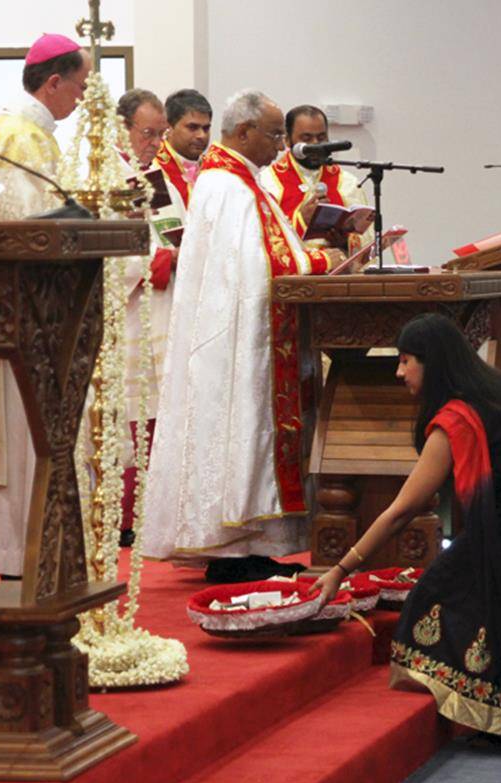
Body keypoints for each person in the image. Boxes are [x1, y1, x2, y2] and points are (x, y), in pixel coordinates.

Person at [312, 314, 501, 743]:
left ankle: (500, 719)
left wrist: (340, 569)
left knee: (439, 591)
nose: (398, 371)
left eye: (406, 361)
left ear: (433, 363)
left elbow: (401, 511)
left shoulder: (456, 418)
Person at [140, 89, 343, 582]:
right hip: (239, 345)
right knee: (243, 430)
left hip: (244, 336)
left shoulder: (237, 181)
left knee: (249, 435)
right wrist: (323, 261)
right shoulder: (228, 186)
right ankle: (232, 552)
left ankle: (249, 546)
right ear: (244, 131)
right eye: (274, 134)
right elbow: (264, 266)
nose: (280, 146)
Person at [0, 34, 91, 576]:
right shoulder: (21, 138)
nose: (81, 100)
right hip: (27, 315)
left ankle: (33, 553)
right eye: (79, 88)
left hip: (22, 314)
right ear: (54, 81)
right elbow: (30, 233)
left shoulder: (17, 131)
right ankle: (28, 556)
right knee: (25, 434)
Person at [111, 87, 179, 543]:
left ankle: (156, 516)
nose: (155, 143)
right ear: (123, 127)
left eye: (160, 134)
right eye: (148, 133)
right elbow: (110, 251)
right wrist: (145, 264)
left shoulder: (156, 176)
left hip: (162, 312)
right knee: (130, 415)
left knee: (159, 412)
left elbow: (176, 231)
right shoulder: (110, 175)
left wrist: (175, 252)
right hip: (129, 319)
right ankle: (124, 520)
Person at [259, 104, 373, 252]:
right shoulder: (267, 182)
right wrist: (301, 220)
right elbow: (262, 241)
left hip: (337, 272)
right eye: (306, 138)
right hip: (294, 273)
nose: (315, 145)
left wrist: (345, 242)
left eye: (321, 137)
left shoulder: (348, 183)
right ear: (287, 140)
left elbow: (367, 245)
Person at [154, 88, 212, 218]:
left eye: (206, 128)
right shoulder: (152, 169)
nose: (201, 135)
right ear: (168, 126)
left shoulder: (215, 168)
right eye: (193, 127)